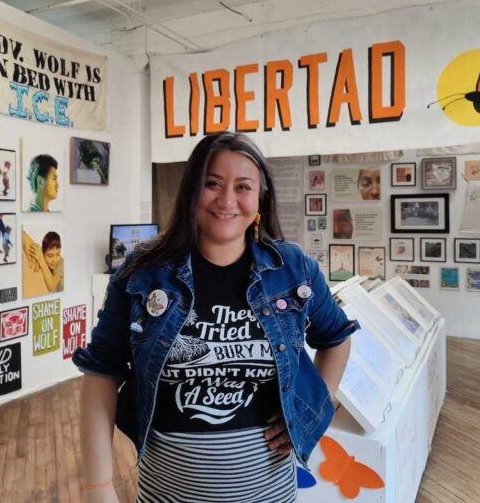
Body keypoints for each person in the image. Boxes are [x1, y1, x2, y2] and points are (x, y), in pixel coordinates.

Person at [73, 132, 356, 503]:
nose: (227, 200)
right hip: (167, 494)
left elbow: (336, 338)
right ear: (191, 190)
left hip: (270, 495)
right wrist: (98, 487)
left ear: (260, 198)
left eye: (243, 187)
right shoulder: (142, 273)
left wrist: (311, 412)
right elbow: (102, 372)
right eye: (212, 183)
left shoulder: (292, 269)